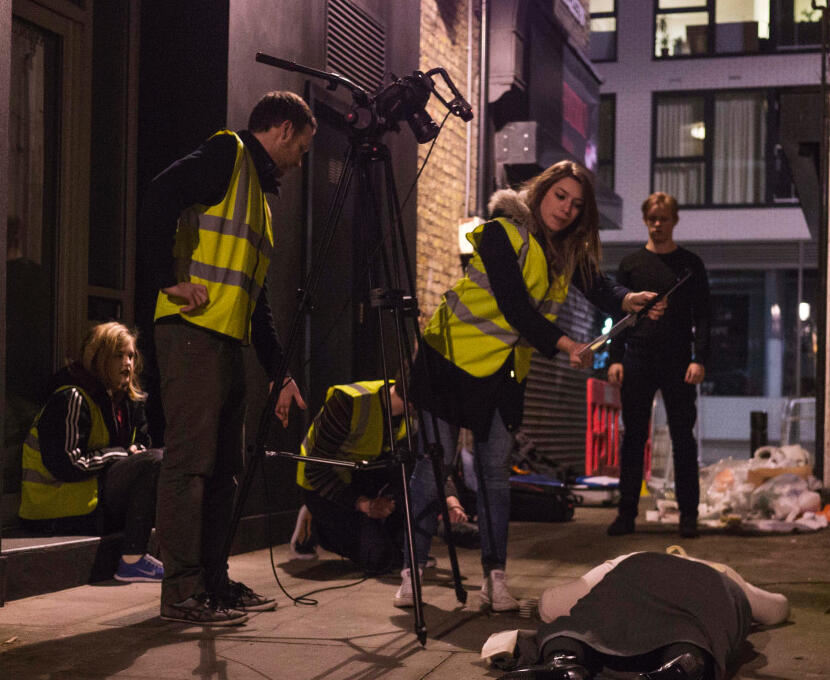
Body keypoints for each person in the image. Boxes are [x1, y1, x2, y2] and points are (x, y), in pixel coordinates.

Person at [398, 160, 663, 610]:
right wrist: (567, 344)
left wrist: (627, 299)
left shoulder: (564, 252)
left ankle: (494, 579)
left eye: (577, 205)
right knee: (432, 469)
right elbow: (515, 307)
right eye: (560, 196)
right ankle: (412, 569)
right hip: (448, 361)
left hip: (502, 374)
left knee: (495, 476)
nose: (567, 209)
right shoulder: (503, 230)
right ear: (541, 192)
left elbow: (597, 285)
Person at [140, 91, 315, 625]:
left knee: (224, 471)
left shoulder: (257, 198)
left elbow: (255, 298)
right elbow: (158, 193)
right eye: (304, 147)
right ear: (284, 130)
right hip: (192, 334)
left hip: (224, 341)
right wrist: (166, 280)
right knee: (190, 464)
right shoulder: (228, 155)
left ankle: (212, 583)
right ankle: (182, 593)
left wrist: (279, 373)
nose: (302, 160)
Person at [480, 549, 790, 680]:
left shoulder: (626, 558)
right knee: (695, 628)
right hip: (710, 585)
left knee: (585, 620)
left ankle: (566, 665)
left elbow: (551, 604)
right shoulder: (723, 571)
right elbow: (777, 608)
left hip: (637, 570)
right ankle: (683, 663)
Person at [19, 322, 164, 582]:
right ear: (98, 358)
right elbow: (67, 464)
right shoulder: (72, 396)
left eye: (131, 355)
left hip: (91, 500)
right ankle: (132, 560)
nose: (127, 363)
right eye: (119, 355)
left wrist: (133, 454)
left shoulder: (126, 399)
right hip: (54, 509)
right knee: (154, 461)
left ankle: (181, 559)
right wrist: (122, 454)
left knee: (163, 459)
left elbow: (142, 444)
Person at [606, 192, 710, 539]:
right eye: (652, 218)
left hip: (679, 360)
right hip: (638, 357)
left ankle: (688, 517)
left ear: (674, 220)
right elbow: (619, 314)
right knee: (633, 438)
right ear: (645, 219)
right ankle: (625, 516)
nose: (657, 224)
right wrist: (615, 358)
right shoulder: (631, 264)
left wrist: (700, 359)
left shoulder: (691, 265)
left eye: (663, 218)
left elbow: (705, 317)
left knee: (683, 438)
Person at [295, 379, 469, 575]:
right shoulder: (350, 402)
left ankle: (396, 535)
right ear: (414, 402)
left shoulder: (409, 415)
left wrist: (451, 500)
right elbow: (315, 469)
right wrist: (364, 504)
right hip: (322, 486)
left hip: (362, 475)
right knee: (379, 558)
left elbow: (431, 462)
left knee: (397, 552)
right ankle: (316, 525)